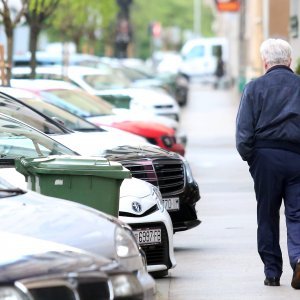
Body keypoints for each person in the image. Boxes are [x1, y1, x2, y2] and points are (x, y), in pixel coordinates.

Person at [236, 38, 300, 289]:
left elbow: (243, 135)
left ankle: (272, 273)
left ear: (265, 63)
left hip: (265, 158)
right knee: (297, 214)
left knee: (267, 215)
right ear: (290, 61)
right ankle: (298, 258)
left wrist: (253, 159)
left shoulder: (254, 88)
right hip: (297, 157)